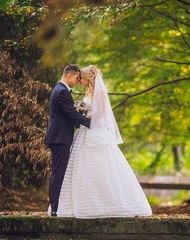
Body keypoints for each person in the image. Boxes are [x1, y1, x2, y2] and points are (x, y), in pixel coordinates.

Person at [54, 65, 152, 218]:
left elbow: (103, 114)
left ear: (89, 78)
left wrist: (90, 118)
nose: (80, 81)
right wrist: (82, 113)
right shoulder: (87, 93)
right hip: (84, 132)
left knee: (101, 165)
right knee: (81, 167)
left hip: (96, 132)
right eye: (79, 79)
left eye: (82, 79)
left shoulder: (100, 92)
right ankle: (77, 204)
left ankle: (107, 204)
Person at [45, 64, 91, 217]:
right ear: (69, 75)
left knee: (57, 173)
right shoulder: (62, 92)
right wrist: (92, 123)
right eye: (77, 78)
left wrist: (82, 120)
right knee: (58, 173)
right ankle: (55, 208)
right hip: (60, 138)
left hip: (59, 137)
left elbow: (68, 115)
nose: (78, 81)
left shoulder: (59, 90)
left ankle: (55, 207)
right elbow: (72, 114)